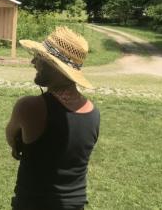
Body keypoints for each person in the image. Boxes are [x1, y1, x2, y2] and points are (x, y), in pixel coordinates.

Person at [6, 26, 100, 210]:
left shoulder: (30, 107)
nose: (33, 61)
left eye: (40, 58)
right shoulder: (93, 113)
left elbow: (12, 140)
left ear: (56, 67)